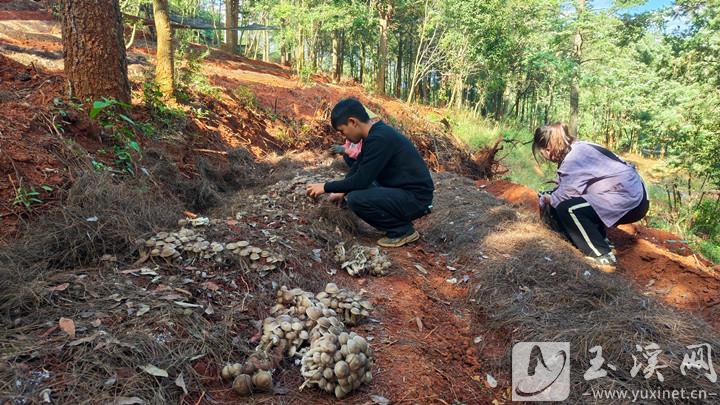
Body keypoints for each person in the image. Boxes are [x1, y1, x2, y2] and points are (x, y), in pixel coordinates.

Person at [306, 98, 434, 248]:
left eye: (342, 130)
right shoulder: (374, 135)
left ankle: (402, 230)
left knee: (356, 198)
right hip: (405, 192)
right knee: (358, 188)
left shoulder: (380, 138)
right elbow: (359, 167)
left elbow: (361, 180)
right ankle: (398, 222)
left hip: (416, 199)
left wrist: (326, 187)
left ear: (353, 122)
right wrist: (341, 190)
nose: (344, 136)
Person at [533, 122, 649, 267]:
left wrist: (546, 199)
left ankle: (602, 255)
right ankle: (598, 238)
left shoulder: (573, 159)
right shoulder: (579, 148)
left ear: (548, 148)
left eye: (541, 152)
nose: (543, 156)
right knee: (575, 202)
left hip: (630, 199)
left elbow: (563, 197)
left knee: (568, 209)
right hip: (632, 193)